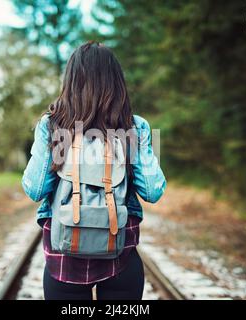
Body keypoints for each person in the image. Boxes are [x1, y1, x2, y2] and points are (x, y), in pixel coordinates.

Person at [22, 41, 166, 300]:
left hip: (63, 258)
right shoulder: (134, 127)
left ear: (71, 81)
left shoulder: (54, 126)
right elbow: (153, 191)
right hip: (120, 256)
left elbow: (34, 189)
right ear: (116, 82)